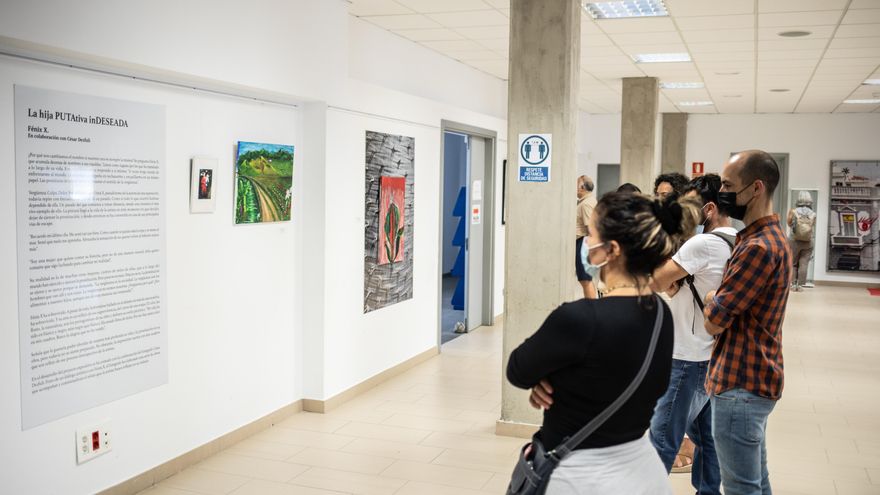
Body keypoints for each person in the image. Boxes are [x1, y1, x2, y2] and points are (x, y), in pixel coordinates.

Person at [508, 192, 681, 495]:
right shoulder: (660, 314)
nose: (586, 242)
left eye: (590, 234)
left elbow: (518, 369)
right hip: (643, 471)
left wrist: (547, 378)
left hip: (580, 478)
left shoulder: (578, 319)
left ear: (611, 249)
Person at [703, 150, 791, 495]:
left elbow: (714, 320)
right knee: (755, 483)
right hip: (753, 382)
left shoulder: (758, 247)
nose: (721, 192)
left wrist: (713, 298)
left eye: (727, 185)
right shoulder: (765, 238)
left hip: (740, 384)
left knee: (741, 488)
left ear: (755, 188)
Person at [648, 174, 734, 495]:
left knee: (661, 440)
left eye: (690, 206)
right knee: (709, 438)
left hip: (686, 358)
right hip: (713, 355)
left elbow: (657, 280)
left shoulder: (702, 243)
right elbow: (678, 288)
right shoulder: (734, 240)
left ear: (709, 209)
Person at [787, 191, 816, 291]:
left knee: (793, 262)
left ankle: (792, 284)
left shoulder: (793, 211)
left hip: (794, 240)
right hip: (808, 242)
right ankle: (800, 285)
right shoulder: (813, 213)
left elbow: (789, 223)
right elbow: (812, 226)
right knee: (804, 263)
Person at [576, 175, 598, 299]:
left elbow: (591, 228)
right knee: (585, 280)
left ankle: (591, 309)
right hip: (584, 243)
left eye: (576, 186)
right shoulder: (588, 201)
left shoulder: (586, 204)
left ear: (582, 187)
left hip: (584, 243)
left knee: (585, 280)